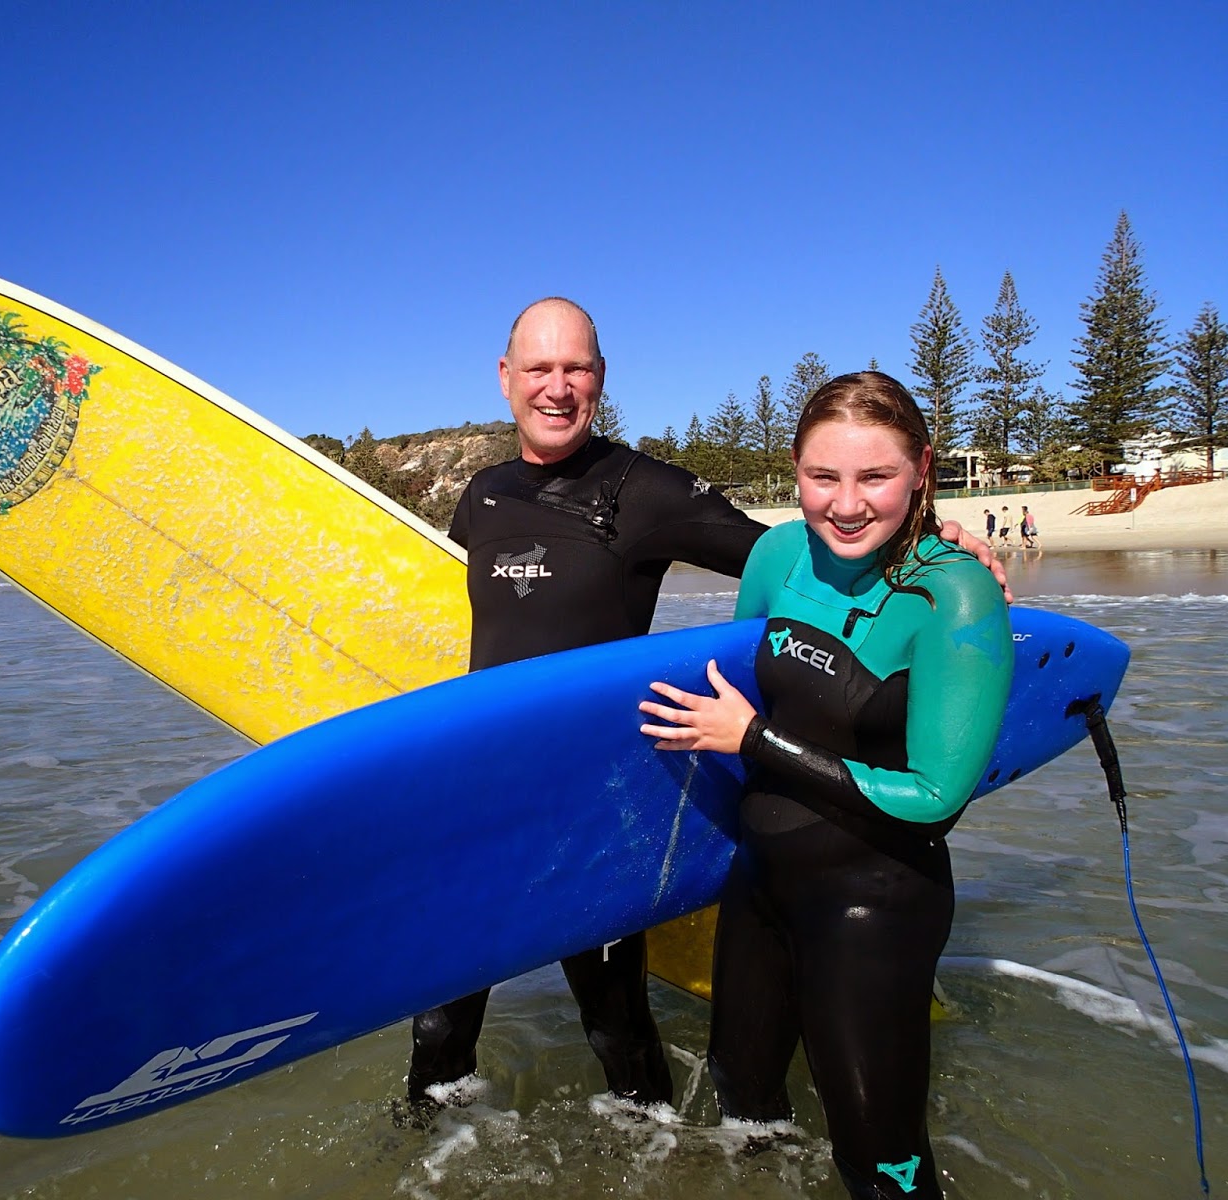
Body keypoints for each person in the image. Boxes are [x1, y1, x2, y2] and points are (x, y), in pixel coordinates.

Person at [412, 301, 1007, 1116]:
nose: (558, 388)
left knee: (615, 1029)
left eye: (577, 368)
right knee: (437, 1030)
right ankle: (432, 1160)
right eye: (539, 369)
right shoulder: (480, 497)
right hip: (486, 802)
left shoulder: (645, 490)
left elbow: (803, 550)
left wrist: (939, 545)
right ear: (506, 377)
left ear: (601, 377)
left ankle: (648, 1150)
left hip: (596, 810)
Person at [637, 371, 1012, 1198]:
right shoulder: (775, 554)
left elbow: (935, 795)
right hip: (761, 884)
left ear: (921, 468)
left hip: (874, 900)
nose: (846, 505)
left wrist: (756, 740)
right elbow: (734, 681)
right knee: (743, 1101)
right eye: (822, 477)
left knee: (880, 1164)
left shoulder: (955, 595)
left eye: (875, 477)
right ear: (795, 471)